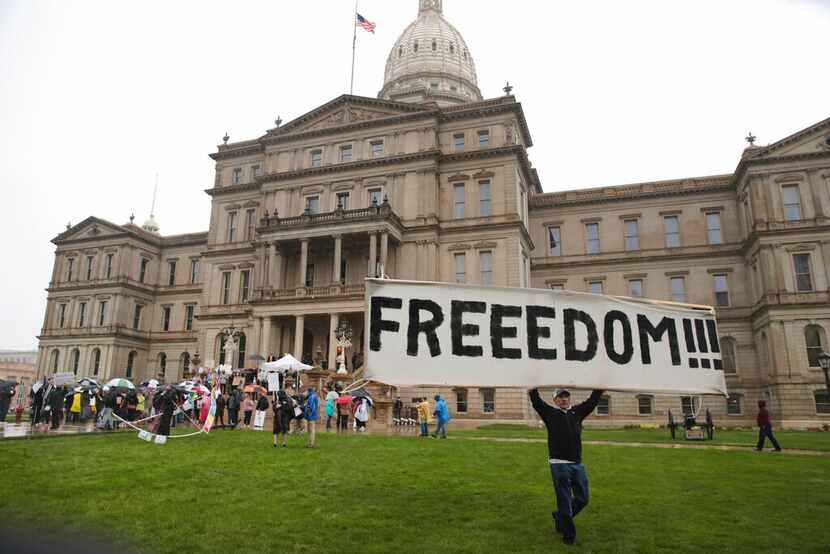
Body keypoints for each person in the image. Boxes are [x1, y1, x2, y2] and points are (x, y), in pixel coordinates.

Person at [529, 388, 604, 546]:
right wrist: (532, 388)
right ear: (555, 400)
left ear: (569, 398)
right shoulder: (550, 413)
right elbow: (537, 402)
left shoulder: (577, 412)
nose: (563, 399)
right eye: (560, 397)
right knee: (564, 499)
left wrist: (599, 388)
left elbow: (592, 402)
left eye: (566, 396)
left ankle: (560, 516)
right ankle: (568, 536)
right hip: (559, 464)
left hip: (576, 463)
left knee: (583, 498)